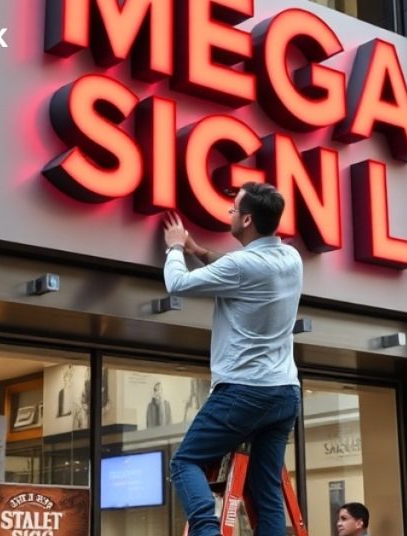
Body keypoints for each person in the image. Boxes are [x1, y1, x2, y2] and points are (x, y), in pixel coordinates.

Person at [163, 182, 303, 536]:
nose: (230, 214)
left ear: (248, 219)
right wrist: (199, 250)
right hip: (285, 392)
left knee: (185, 462)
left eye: (234, 210)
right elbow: (237, 270)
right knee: (265, 488)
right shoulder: (291, 257)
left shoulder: (242, 266)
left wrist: (176, 249)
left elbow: (178, 284)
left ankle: (207, 532)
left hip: (243, 390)